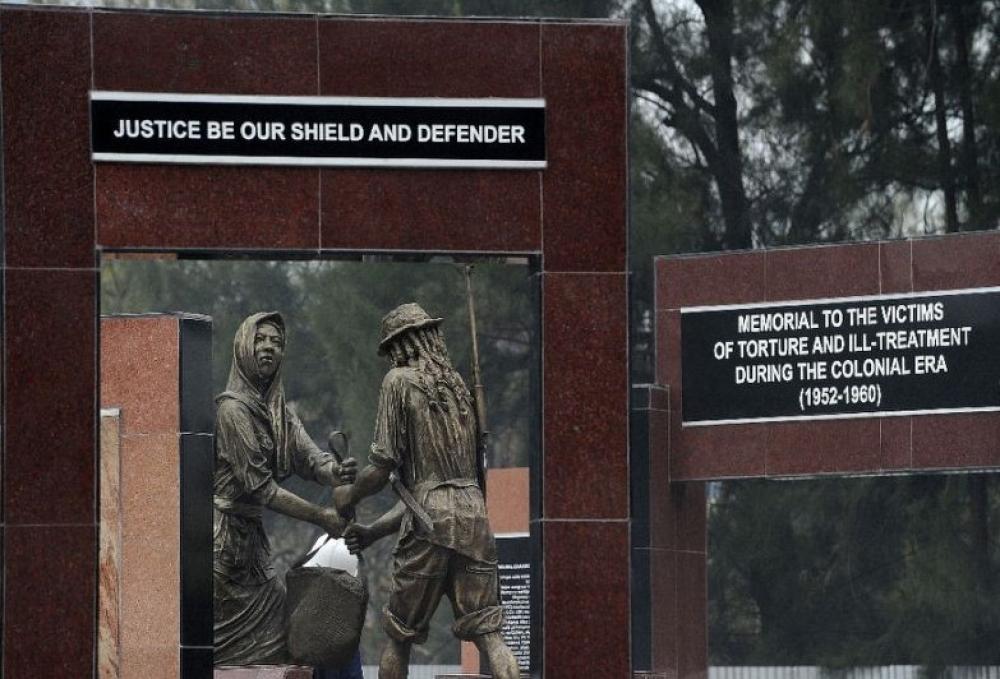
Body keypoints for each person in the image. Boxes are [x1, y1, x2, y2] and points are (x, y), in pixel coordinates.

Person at [334, 303, 519, 679]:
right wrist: (371, 533)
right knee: (491, 635)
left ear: (400, 345)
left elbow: (385, 468)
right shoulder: (459, 389)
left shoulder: (398, 382)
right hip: (473, 515)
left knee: (398, 635)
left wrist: (349, 495)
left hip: (431, 522)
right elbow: (431, 496)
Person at [213, 311, 357, 665]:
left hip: (253, 552)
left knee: (287, 637)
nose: (268, 348)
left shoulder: (281, 413)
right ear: (244, 348)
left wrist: (336, 470)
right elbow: (261, 489)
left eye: (276, 343)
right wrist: (321, 516)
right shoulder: (232, 411)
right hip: (222, 551)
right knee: (230, 647)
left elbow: (310, 459)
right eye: (260, 340)